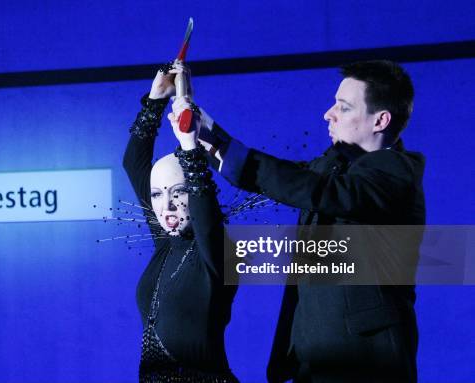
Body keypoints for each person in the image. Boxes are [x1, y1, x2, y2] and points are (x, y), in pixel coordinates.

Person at [173, 60, 424, 382]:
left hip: (364, 363)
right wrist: (206, 131)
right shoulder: (332, 167)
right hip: (312, 360)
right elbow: (288, 179)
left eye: (344, 107)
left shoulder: (396, 171)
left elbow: (317, 190)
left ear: (381, 120)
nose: (328, 114)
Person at [123, 61, 239, 382]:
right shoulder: (165, 243)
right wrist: (156, 99)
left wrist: (189, 145)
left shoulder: (218, 251)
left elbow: (205, 209)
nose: (167, 206)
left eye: (179, 192)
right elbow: (133, 163)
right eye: (157, 195)